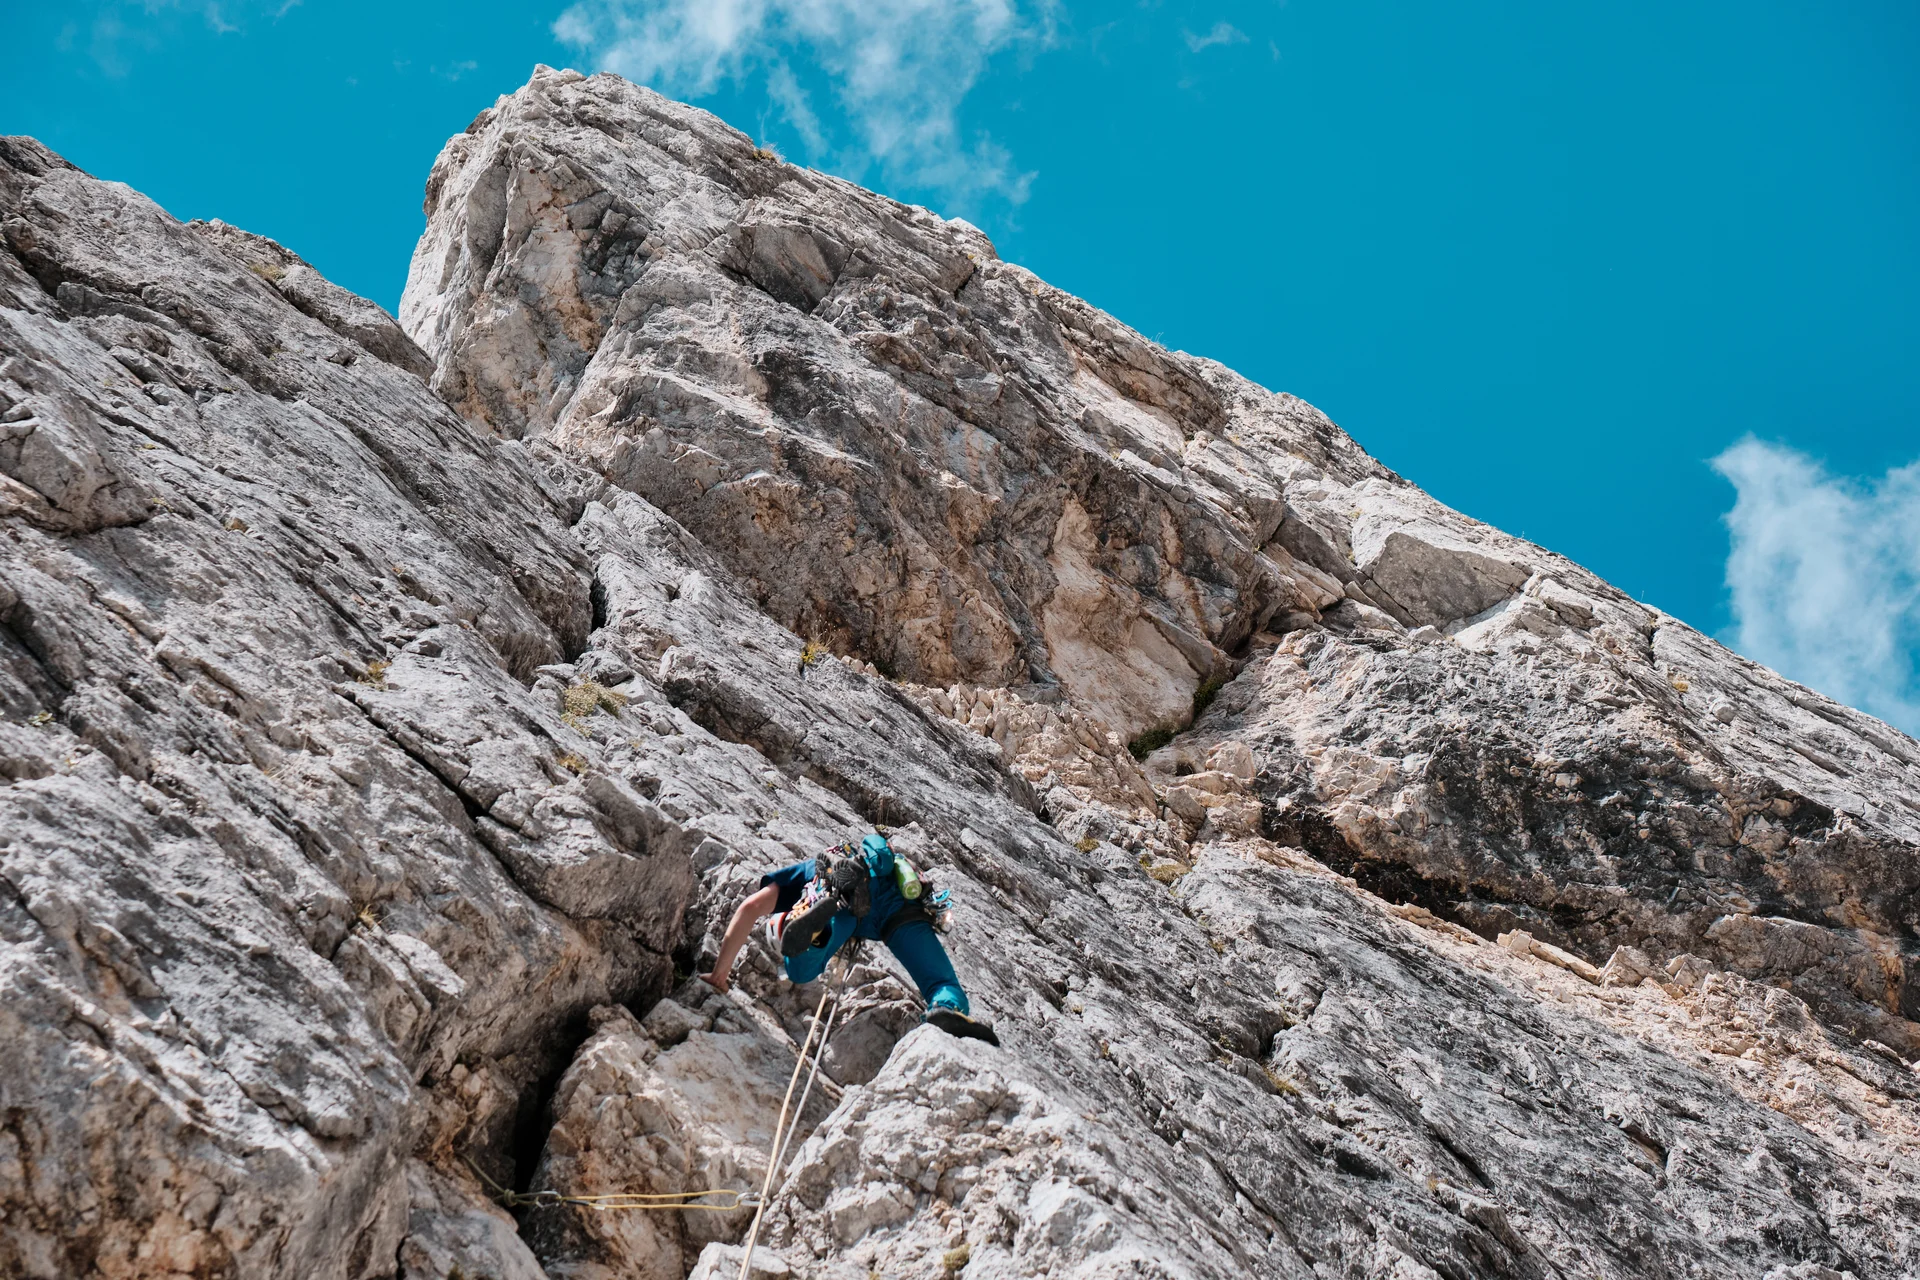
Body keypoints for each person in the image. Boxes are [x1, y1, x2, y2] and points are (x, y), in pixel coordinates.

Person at [699, 833, 999, 1045]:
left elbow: (752, 907)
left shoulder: (809, 875)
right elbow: (748, 907)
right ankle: (947, 1011)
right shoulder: (830, 861)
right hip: (900, 903)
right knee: (940, 983)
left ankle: (816, 937)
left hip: (846, 903)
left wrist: (719, 974)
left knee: (800, 970)